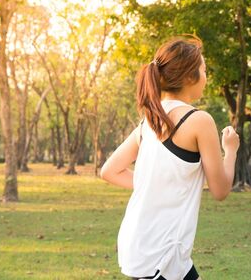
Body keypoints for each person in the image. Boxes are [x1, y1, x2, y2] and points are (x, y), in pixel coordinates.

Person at [100, 36, 239, 280]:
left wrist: (155, 184)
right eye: (204, 71)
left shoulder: (149, 121)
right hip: (161, 253)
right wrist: (231, 150)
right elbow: (220, 190)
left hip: (142, 244)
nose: (206, 78)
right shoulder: (199, 121)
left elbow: (110, 171)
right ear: (189, 77)